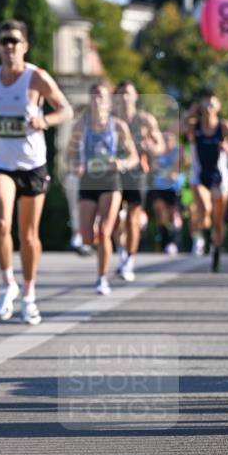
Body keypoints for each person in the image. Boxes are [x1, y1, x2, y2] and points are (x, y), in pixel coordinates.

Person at [0, 19, 73, 325]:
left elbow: (66, 110)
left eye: (15, 41)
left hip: (32, 164)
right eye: (4, 41)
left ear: (25, 46)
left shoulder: (36, 78)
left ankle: (30, 295)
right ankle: (8, 284)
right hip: (0, 163)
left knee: (29, 235)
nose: (9, 46)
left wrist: (44, 121)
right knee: (1, 223)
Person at [67, 82, 138, 295]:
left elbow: (134, 156)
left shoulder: (118, 126)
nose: (97, 100)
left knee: (104, 231)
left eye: (101, 96)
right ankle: (104, 227)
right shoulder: (81, 125)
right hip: (88, 181)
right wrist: (75, 166)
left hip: (110, 181)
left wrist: (122, 163)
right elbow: (68, 156)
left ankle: (102, 279)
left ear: (108, 101)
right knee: (88, 238)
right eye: (94, 96)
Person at [186, 94, 228, 271]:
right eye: (204, 104)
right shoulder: (194, 126)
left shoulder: (224, 126)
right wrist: (190, 113)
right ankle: (205, 236)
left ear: (218, 107)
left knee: (218, 221)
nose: (207, 108)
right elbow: (174, 128)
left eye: (211, 105)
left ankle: (217, 251)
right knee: (205, 208)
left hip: (220, 177)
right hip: (200, 175)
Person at [112, 81, 165, 282]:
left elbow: (160, 146)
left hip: (136, 174)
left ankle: (129, 262)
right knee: (114, 220)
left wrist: (149, 145)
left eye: (128, 93)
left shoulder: (145, 120)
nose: (124, 97)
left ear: (135, 96)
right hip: (114, 174)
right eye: (120, 93)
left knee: (133, 219)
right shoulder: (110, 120)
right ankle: (122, 254)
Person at [147, 130, 183, 254]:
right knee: (159, 210)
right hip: (159, 187)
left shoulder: (178, 151)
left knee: (173, 215)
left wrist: (174, 172)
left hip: (173, 188)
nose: (167, 142)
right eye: (165, 139)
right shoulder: (158, 151)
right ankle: (165, 241)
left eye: (169, 139)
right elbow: (152, 168)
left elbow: (180, 167)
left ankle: (174, 241)